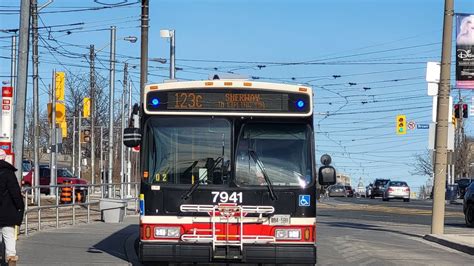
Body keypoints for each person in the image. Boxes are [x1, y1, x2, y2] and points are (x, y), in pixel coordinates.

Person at [0, 149, 25, 266]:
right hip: (6, 211)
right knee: (8, 235)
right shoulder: (9, 173)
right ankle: (11, 258)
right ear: (5, 158)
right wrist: (20, 207)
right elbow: (15, 193)